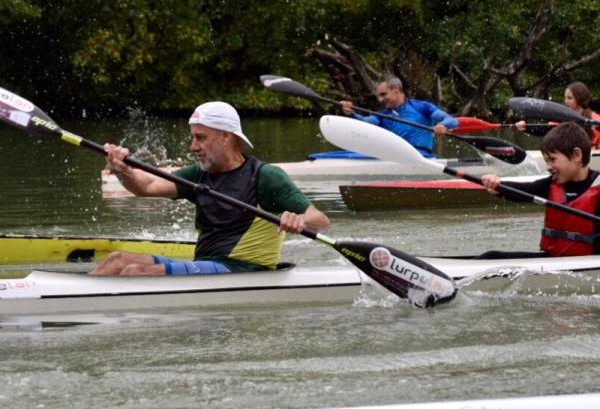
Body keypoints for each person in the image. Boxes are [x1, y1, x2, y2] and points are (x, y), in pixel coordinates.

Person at [90, 101, 330, 276]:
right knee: (117, 260)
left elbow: (320, 219)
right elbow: (147, 186)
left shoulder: (265, 176)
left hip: (245, 271)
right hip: (205, 265)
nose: (193, 146)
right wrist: (123, 169)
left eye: (200, 138)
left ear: (226, 136)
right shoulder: (198, 175)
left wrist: (299, 221)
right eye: (193, 138)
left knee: (135, 272)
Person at [481, 121, 600, 258]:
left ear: (576, 155)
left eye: (552, 159)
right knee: (492, 256)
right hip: (551, 260)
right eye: (546, 161)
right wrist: (498, 186)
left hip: (588, 264)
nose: (548, 167)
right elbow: (524, 190)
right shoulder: (551, 184)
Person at [340, 74, 459, 157]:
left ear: (396, 89)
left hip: (420, 156)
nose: (380, 99)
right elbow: (364, 123)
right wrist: (351, 113)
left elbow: (451, 120)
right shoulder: (381, 116)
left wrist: (443, 125)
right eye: (378, 96)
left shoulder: (422, 107)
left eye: (383, 94)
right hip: (392, 156)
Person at [516, 82, 600, 147]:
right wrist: (526, 127)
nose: (565, 101)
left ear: (580, 99)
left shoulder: (594, 118)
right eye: (565, 98)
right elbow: (545, 129)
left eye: (569, 98)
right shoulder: (562, 117)